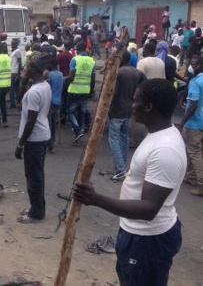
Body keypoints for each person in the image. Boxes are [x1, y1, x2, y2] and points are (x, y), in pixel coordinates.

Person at [74, 78, 185, 286]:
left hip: (148, 240)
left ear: (149, 106)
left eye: (136, 101)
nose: (132, 106)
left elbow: (148, 209)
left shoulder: (165, 150)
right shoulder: (158, 135)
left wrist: (96, 199)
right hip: (138, 234)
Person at [15, 53, 52, 224]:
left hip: (34, 139)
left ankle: (36, 213)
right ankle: (36, 208)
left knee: (33, 177)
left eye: (28, 67)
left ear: (35, 70)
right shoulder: (44, 86)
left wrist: (20, 144)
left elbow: (31, 120)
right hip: (42, 136)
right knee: (37, 175)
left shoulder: (34, 92)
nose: (25, 69)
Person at [108, 48, 146, 181]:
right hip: (129, 109)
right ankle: (123, 167)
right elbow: (144, 87)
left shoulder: (118, 73)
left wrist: (108, 108)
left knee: (114, 139)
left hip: (117, 109)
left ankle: (120, 169)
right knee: (124, 137)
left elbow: (112, 93)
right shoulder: (137, 72)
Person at [176, 58, 203, 194]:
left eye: (194, 64)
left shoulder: (195, 82)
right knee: (196, 150)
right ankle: (191, 176)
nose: (192, 67)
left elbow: (192, 105)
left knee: (194, 151)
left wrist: (182, 122)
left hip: (195, 121)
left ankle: (201, 184)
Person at [67, 40, 96, 142]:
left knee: (70, 112)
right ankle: (79, 132)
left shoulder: (74, 60)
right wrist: (91, 91)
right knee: (82, 112)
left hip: (74, 90)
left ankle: (77, 130)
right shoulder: (92, 61)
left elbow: (71, 75)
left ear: (77, 49)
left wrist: (65, 82)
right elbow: (93, 78)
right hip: (85, 91)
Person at [46, 59, 63, 153]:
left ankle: (49, 144)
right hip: (58, 101)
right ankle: (52, 142)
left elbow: (48, 88)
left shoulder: (49, 75)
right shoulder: (60, 74)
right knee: (53, 123)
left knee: (49, 123)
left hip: (50, 102)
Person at [9, 38, 21, 109]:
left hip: (14, 72)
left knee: (12, 89)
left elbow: (20, 62)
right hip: (12, 71)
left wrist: (19, 73)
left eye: (13, 43)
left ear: (16, 44)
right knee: (16, 88)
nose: (11, 44)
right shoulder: (13, 51)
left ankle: (13, 103)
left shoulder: (18, 51)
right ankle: (17, 102)